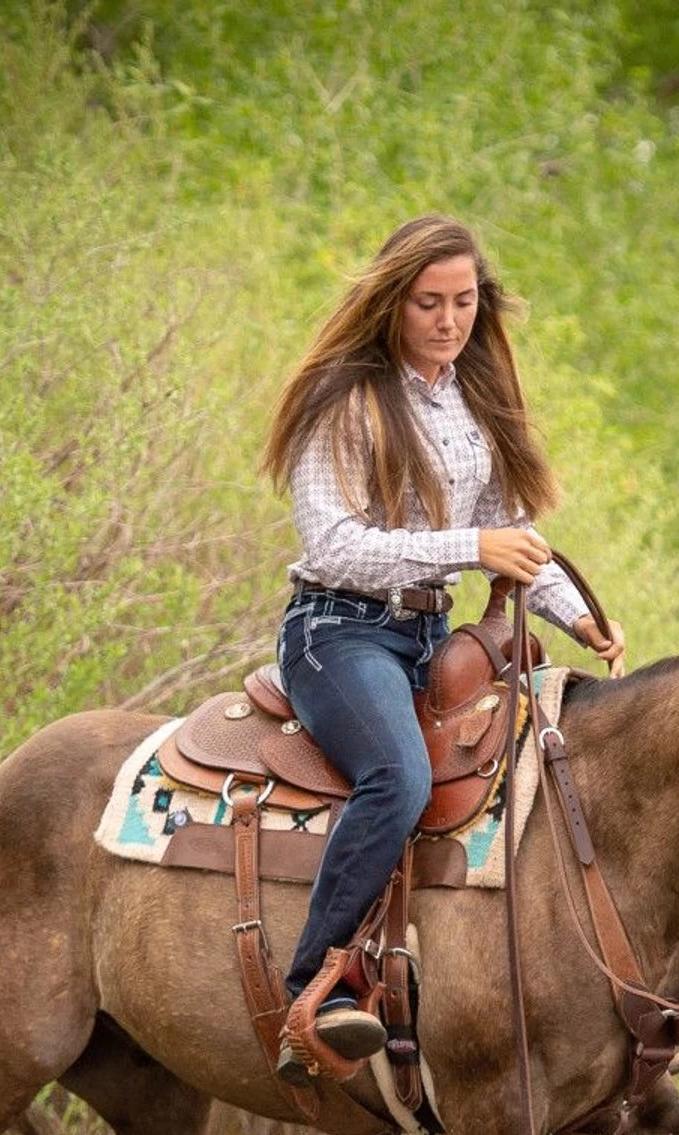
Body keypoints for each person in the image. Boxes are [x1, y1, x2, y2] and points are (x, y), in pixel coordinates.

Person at [260, 214, 625, 1083]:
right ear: (394, 301)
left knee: (547, 767)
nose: (449, 320)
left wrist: (577, 616)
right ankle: (313, 991)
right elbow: (338, 543)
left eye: (464, 302)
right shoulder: (343, 402)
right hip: (337, 631)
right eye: (430, 303)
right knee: (402, 776)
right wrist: (470, 551)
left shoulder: (472, 401)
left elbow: (509, 533)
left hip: (429, 636)